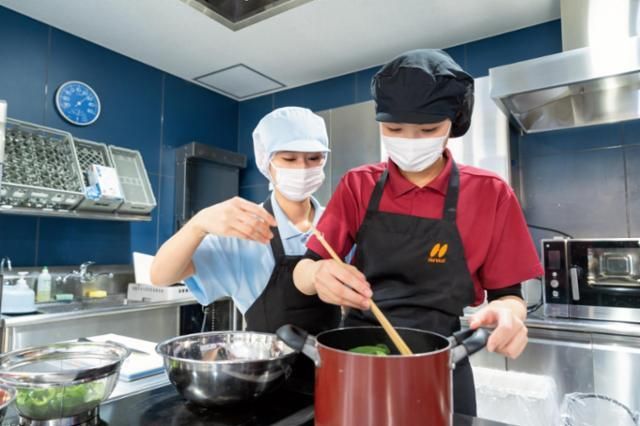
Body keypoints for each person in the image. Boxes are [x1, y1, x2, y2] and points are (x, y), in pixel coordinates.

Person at [292, 49, 543, 415]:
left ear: (454, 123)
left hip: (442, 359)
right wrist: (317, 274)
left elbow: (509, 295)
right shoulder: (358, 185)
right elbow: (304, 269)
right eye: (394, 129)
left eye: (427, 130)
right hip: (359, 356)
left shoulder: (490, 193)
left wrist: (510, 314)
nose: (409, 141)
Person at [150, 106, 340, 336]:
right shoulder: (244, 230)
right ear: (267, 163)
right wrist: (197, 225)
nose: (302, 168)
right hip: (268, 359)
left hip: (335, 357)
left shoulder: (338, 224)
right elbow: (161, 276)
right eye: (289, 158)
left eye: (313, 158)